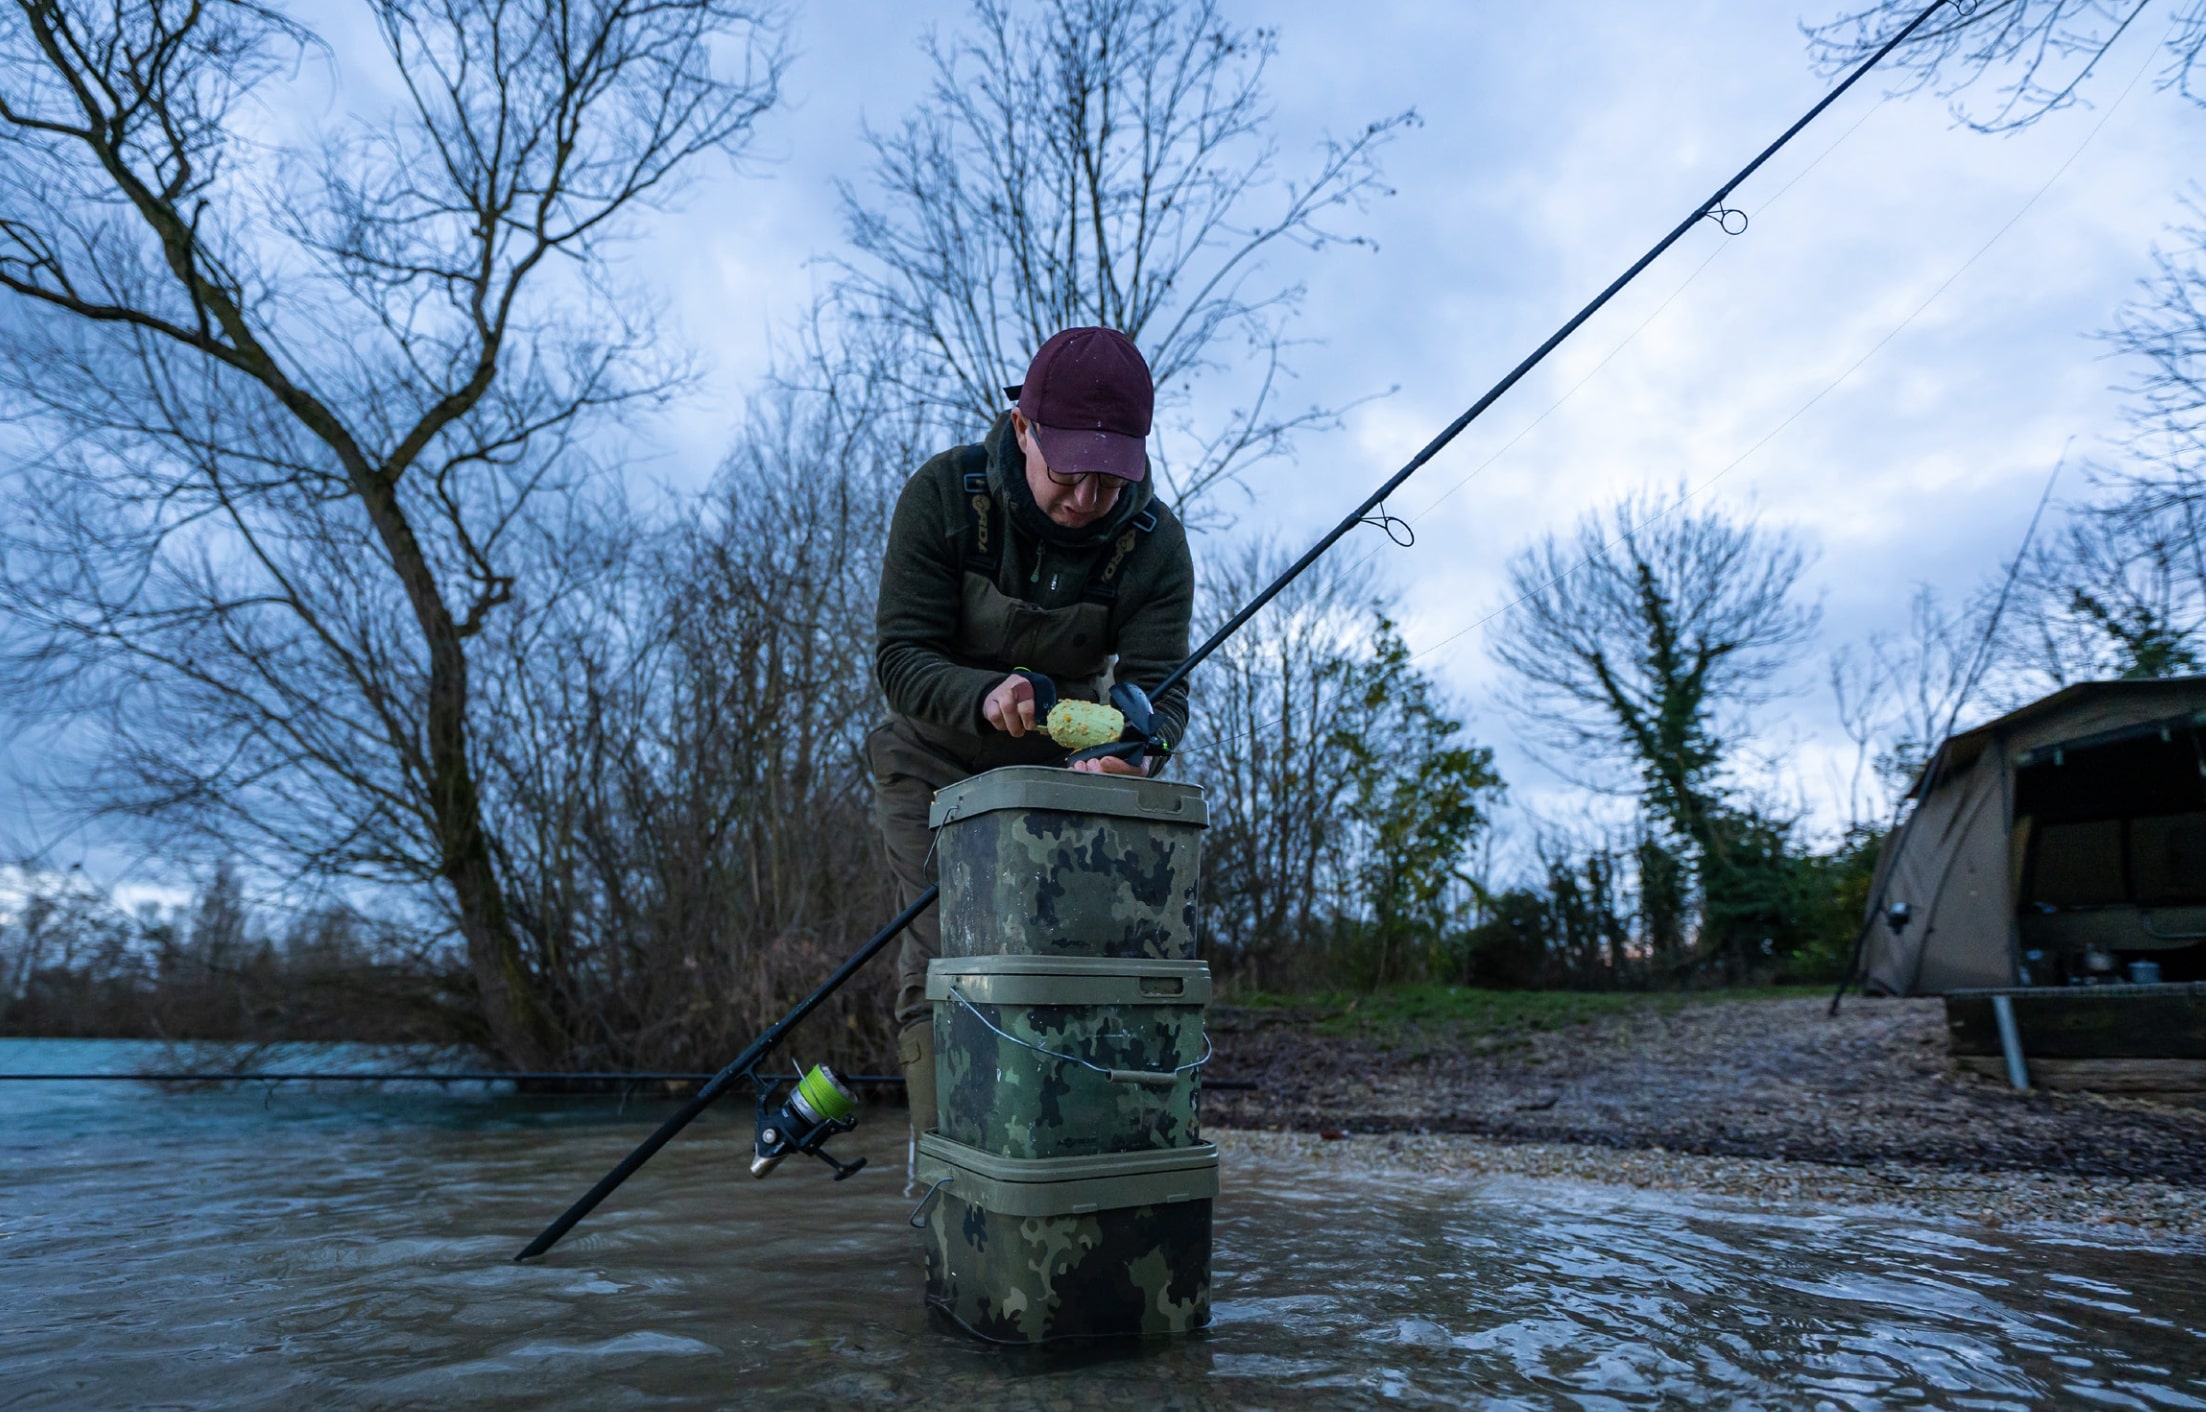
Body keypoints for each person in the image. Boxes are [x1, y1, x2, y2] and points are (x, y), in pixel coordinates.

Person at [869, 327, 1195, 1138]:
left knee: (1072, 951)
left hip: (1065, 769)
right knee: (942, 958)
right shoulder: (944, 495)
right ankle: (947, 1165)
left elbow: (1162, 692)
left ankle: (1059, 1144)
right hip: (932, 755)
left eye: (1109, 480)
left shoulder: (1156, 547)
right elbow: (900, 659)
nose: (1086, 500)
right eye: (1069, 474)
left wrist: (1137, 752)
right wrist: (985, 695)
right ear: (1023, 430)